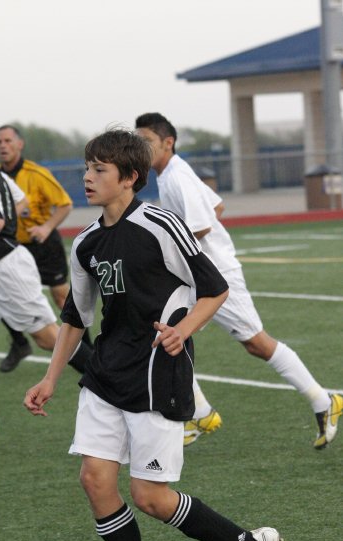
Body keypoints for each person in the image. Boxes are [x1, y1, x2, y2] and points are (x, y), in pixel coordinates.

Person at [24, 129, 282, 541]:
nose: (88, 177)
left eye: (100, 169)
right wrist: (50, 378)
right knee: (94, 478)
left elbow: (214, 288)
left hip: (156, 374)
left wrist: (183, 330)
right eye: (87, 168)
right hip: (105, 373)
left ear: (130, 177)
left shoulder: (160, 223)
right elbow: (76, 318)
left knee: (151, 497)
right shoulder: (85, 242)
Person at [135, 112, 342, 450]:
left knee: (256, 343)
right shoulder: (175, 172)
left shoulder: (176, 178)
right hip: (199, 275)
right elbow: (217, 207)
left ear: (167, 142)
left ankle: (324, 401)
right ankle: (199, 412)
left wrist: (163, 252)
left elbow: (202, 225)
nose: (141, 149)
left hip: (215, 278)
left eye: (146, 142)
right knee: (164, 333)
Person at [0, 110, 91, 441]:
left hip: (7, 268)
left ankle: (117, 387)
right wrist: (3, 219)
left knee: (49, 339)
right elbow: (20, 202)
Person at [0, 125, 92, 373]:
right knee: (2, 295)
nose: (3, 146)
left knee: (62, 297)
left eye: (8, 141)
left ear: (20, 144)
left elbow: (65, 204)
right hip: (12, 248)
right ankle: (18, 343)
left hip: (43, 246)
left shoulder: (36, 174)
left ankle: (90, 351)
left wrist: (46, 228)